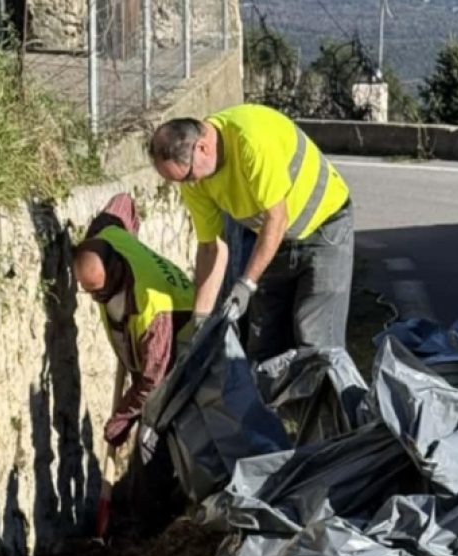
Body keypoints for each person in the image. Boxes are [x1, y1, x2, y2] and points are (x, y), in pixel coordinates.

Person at [149, 104, 354, 362]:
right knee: (264, 344)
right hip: (274, 241)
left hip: (325, 229)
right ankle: (271, 403)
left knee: (315, 341)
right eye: (180, 181)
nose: (190, 184)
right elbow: (211, 247)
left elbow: (277, 218)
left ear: (202, 147)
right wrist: (200, 319)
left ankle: (330, 401)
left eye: (189, 175)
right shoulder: (194, 179)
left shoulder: (251, 141)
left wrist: (246, 284)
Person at [73, 193, 195, 451]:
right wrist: (132, 239)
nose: (96, 299)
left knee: (157, 443)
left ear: (116, 271)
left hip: (185, 346)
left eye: (100, 292)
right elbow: (123, 201)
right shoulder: (105, 232)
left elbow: (152, 382)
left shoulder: (152, 313)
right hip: (151, 353)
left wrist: (121, 420)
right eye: (89, 291)